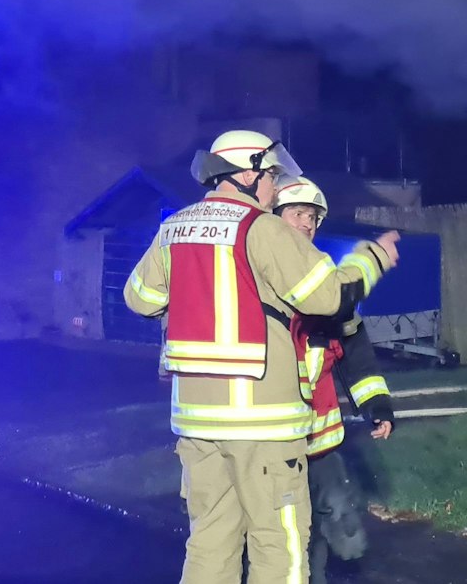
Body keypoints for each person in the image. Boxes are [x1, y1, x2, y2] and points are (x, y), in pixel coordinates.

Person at [122, 129, 399, 584]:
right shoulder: (262, 228)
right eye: (271, 175)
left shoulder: (174, 228)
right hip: (263, 427)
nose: (274, 186)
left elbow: (141, 299)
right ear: (247, 174)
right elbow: (329, 296)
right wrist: (372, 258)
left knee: (209, 544)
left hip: (197, 425)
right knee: (279, 548)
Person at [270, 179, 397, 584]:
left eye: (312, 217)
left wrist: (377, 406)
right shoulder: (258, 278)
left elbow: (354, 353)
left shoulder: (325, 280)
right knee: (286, 535)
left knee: (342, 524)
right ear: (273, 219)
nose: (306, 224)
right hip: (273, 447)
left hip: (321, 443)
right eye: (297, 214)